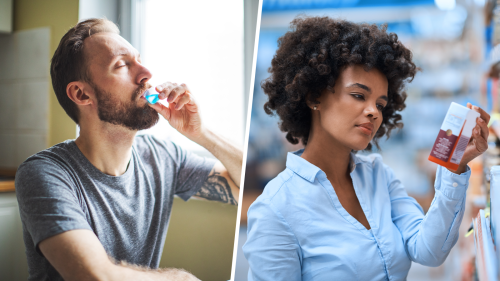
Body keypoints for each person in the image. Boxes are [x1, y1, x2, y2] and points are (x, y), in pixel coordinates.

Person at [243, 16, 489, 281]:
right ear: (314, 96)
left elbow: (429, 250)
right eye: (359, 95)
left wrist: (455, 164)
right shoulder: (275, 209)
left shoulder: (378, 176)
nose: (373, 112)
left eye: (381, 104)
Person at [15, 18, 242, 281]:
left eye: (139, 59)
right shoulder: (44, 174)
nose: (146, 72)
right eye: (122, 64)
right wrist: (182, 279)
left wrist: (203, 134)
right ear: (81, 94)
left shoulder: (162, 157)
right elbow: (94, 275)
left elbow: (245, 186)